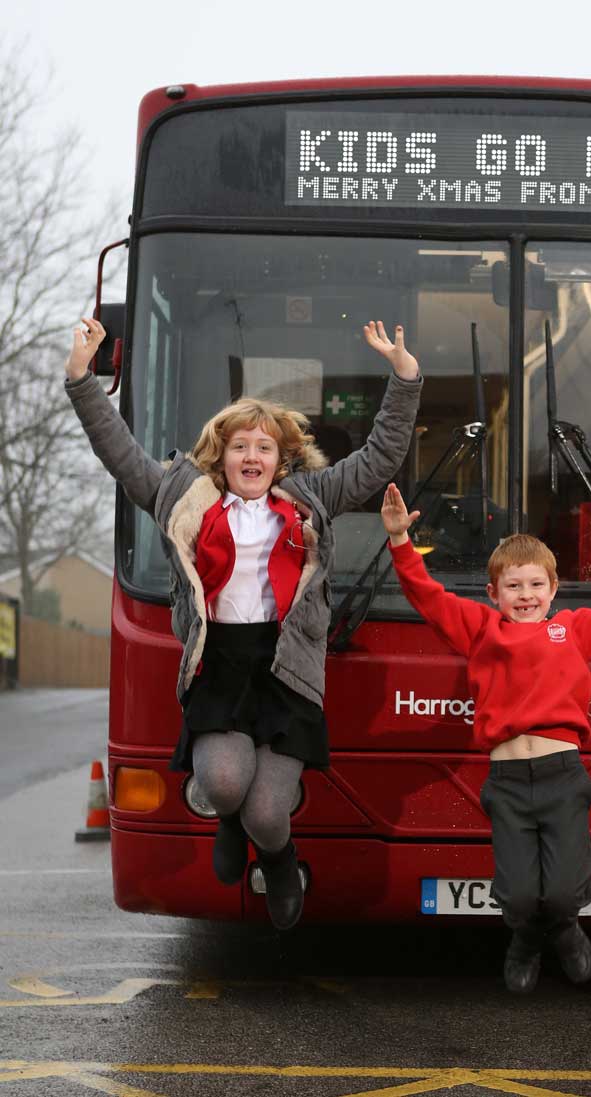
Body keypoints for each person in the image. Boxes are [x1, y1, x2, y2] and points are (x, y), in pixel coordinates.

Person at [65, 317, 422, 930]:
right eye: (239, 445)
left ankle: (278, 860)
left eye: (264, 446)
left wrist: (405, 375)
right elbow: (119, 453)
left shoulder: (313, 498)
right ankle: (227, 821)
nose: (251, 455)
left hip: (287, 669)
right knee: (226, 785)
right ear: (220, 455)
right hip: (220, 664)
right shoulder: (184, 497)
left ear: (281, 460)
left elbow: (381, 455)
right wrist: (81, 378)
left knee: (267, 813)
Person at [381, 481, 591, 993]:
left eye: (536, 585)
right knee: (518, 896)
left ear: (554, 588)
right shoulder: (480, 630)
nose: (526, 596)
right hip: (508, 782)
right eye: (514, 587)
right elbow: (428, 597)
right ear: (493, 594)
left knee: (566, 891)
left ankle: (565, 929)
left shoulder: (574, 630)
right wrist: (399, 542)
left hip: (562, 777)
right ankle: (524, 940)